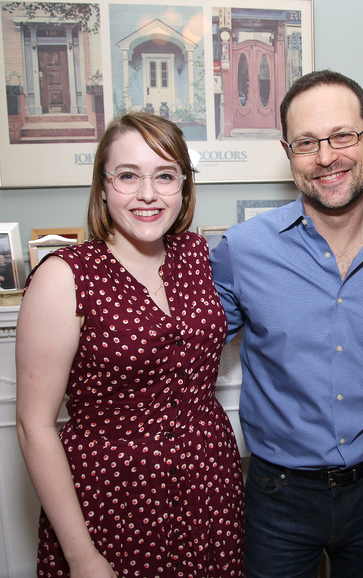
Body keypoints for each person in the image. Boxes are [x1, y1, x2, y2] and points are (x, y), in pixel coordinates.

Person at [210, 69, 363, 577]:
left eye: (342, 136)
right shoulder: (243, 251)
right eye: (307, 142)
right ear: (287, 151)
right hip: (278, 497)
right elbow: (181, 354)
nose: (327, 156)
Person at [16, 112, 245, 577]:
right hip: (112, 504)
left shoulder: (197, 257)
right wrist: (81, 556)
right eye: (127, 176)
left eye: (164, 176)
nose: (147, 193)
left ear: (183, 185)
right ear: (102, 185)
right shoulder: (66, 276)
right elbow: (33, 425)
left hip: (210, 489)